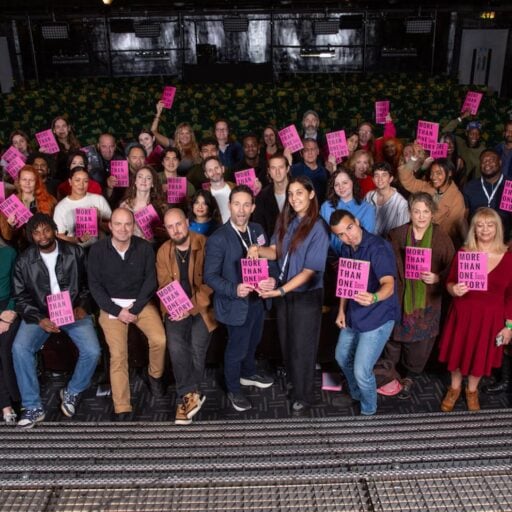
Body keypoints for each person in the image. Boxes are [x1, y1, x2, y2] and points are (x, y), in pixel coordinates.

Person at [12, 213, 101, 428]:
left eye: (46, 230)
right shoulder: (23, 261)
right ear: (31, 236)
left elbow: (89, 284)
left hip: (72, 309)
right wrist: (39, 319)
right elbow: (20, 298)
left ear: (54, 230)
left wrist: (82, 305)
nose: (42, 236)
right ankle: (32, 406)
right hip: (40, 313)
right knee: (19, 348)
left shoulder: (75, 252)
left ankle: (72, 391)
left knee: (92, 351)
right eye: (36, 233)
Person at [250, 176, 329, 416]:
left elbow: (308, 272)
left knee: (303, 347)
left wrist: (280, 290)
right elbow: (275, 252)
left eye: (299, 193)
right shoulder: (286, 220)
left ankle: (304, 396)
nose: (294, 198)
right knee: (287, 342)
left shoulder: (318, 227)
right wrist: (257, 250)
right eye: (291, 194)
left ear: (311, 194)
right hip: (285, 293)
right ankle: (294, 384)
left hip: (306, 295)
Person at [87, 208, 167, 419]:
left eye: (127, 224)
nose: (123, 229)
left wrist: (135, 308)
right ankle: (122, 406)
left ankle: (154, 376)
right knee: (118, 355)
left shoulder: (144, 248)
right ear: (110, 226)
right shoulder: (97, 250)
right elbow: (95, 286)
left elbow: (150, 281)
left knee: (160, 339)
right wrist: (117, 311)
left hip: (139, 303)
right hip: (111, 306)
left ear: (134, 226)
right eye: (118, 224)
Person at [204, 185, 276, 412]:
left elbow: (270, 260)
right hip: (235, 303)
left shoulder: (257, 229)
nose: (241, 210)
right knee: (237, 348)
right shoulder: (218, 238)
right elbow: (209, 276)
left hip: (258, 300)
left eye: (246, 205)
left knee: (253, 341)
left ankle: (248, 373)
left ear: (253, 207)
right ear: (229, 206)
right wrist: (234, 289)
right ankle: (234, 389)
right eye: (237, 204)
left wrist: (272, 280)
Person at [438, 208, 512, 412]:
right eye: (480, 225)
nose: (485, 230)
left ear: (498, 228)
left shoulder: (508, 258)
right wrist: (454, 289)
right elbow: (449, 283)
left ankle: (472, 390)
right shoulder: (464, 253)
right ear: (474, 229)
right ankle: (454, 388)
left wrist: (509, 326)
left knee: (480, 356)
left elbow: (510, 296)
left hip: (490, 319)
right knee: (457, 353)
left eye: (490, 225)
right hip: (463, 315)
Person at [330, 209, 400, 416]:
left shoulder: (378, 247)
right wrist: (341, 311)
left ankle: (368, 409)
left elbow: (389, 284)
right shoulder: (346, 248)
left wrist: (374, 297)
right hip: (354, 313)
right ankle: (357, 394)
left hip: (378, 315)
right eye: (341, 234)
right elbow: (346, 283)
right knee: (341, 356)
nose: (348, 236)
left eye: (350, 228)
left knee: (362, 370)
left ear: (357, 222)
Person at [386, 193, 455, 399]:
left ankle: (410, 376)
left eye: (426, 211)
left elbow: (453, 267)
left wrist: (438, 278)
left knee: (420, 342)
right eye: (417, 211)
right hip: (400, 295)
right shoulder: (397, 234)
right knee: (393, 338)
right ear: (410, 213)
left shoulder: (441, 237)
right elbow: (385, 262)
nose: (421, 216)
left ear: (432, 213)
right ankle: (390, 374)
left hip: (427, 300)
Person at [156, 208, 217, 425]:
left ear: (187, 222)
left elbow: (210, 283)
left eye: (179, 224)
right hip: (175, 308)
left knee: (196, 347)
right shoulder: (163, 251)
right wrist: (175, 308)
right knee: (175, 345)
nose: (176, 230)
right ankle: (191, 396)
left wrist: (189, 307)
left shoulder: (205, 244)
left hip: (201, 308)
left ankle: (185, 399)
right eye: (170, 227)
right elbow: (164, 285)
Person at [398, 151, 467, 246]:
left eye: (438, 173)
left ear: (450, 173)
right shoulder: (426, 186)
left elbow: (450, 229)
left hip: (438, 243)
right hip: (416, 237)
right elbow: (407, 180)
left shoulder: (457, 199)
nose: (433, 177)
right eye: (432, 173)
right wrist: (413, 158)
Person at [320, 168, 375, 255]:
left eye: (345, 183)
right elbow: (322, 235)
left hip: (358, 256)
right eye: (336, 184)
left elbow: (366, 239)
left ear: (352, 182)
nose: (341, 187)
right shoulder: (326, 207)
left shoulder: (368, 209)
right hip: (329, 256)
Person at [53, 166, 112, 247]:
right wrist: (78, 239)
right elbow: (59, 236)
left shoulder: (98, 199)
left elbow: (113, 227)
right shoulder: (61, 207)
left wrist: (99, 222)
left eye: (85, 181)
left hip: (98, 247)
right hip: (74, 249)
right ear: (70, 182)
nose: (81, 184)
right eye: (77, 180)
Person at [463, 149, 511, 243]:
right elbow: (463, 218)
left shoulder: (509, 185)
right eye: (484, 161)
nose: (487, 163)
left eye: (491, 160)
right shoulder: (470, 187)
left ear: (500, 162)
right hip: (476, 241)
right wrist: (469, 241)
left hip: (505, 242)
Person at [0, 234, 20, 425]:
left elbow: (18, 287)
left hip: (7, 307)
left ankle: (14, 399)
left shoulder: (9, 253)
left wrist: (10, 311)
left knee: (5, 349)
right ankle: (6, 405)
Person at [119, 165, 166, 244]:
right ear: (135, 181)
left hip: (151, 246)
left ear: (152, 183)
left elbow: (164, 233)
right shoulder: (125, 205)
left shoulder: (160, 206)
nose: (143, 180)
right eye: (140, 177)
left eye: (148, 178)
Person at [364, 162, 409, 237]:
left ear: (390, 179)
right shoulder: (369, 196)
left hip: (389, 242)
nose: (380, 179)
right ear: (373, 179)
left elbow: (402, 233)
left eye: (384, 175)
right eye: (376, 175)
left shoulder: (401, 203)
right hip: (369, 239)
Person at [253, 152, 290, 241]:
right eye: (273, 168)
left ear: (287, 169)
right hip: (272, 246)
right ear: (269, 171)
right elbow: (258, 228)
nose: (277, 172)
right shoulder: (261, 197)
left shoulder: (299, 192)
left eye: (281, 167)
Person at [442, 112, 485, 181]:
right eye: (472, 133)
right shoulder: (461, 143)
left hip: (475, 183)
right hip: (457, 180)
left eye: (477, 134)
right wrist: (461, 118)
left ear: (479, 136)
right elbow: (445, 132)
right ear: (466, 133)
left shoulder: (483, 151)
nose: (474, 136)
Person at [290, 139, 328, 205]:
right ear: (301, 153)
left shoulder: (325, 172)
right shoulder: (293, 170)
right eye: (306, 150)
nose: (310, 152)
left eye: (313, 149)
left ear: (318, 151)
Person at [203, 156, 235, 223]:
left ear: (222, 169)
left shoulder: (236, 187)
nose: (214, 172)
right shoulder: (205, 196)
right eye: (210, 170)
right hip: (218, 229)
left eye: (216, 168)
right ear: (206, 174)